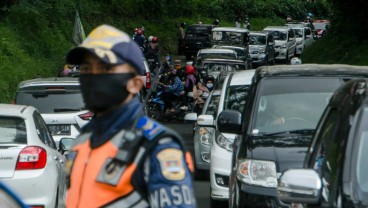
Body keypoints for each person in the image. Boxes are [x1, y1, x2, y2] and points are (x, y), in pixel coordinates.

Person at [64, 24, 196, 208]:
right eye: (86, 69)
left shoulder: (155, 147)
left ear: (135, 83)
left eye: (104, 69)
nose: (92, 77)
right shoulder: (81, 142)